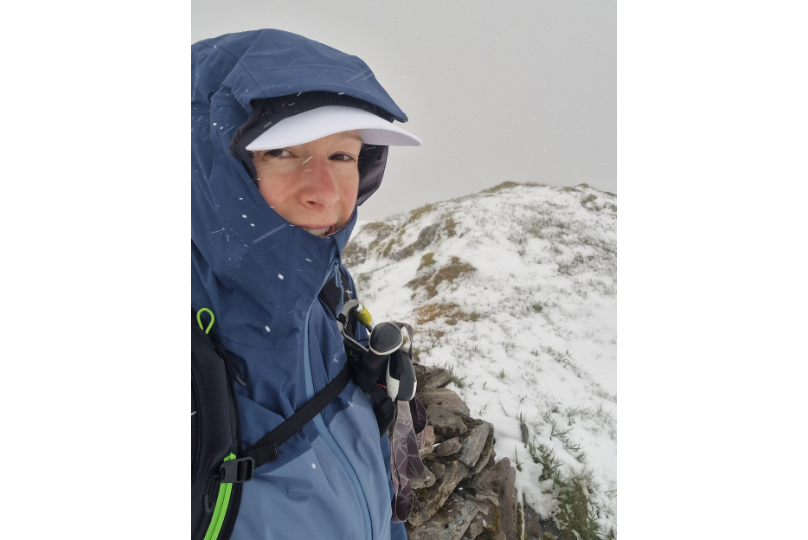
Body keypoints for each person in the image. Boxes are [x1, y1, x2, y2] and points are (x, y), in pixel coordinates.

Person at [192, 29, 421, 540]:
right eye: (284, 152)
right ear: (213, 166)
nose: (325, 192)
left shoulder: (329, 292)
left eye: (343, 156)